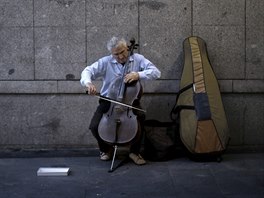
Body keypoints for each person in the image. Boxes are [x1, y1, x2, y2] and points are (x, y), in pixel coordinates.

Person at [80, 36, 161, 165]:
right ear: (111, 53)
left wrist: (138, 74)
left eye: (122, 52)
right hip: (109, 101)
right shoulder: (106, 62)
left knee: (140, 119)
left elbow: (156, 72)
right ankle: (106, 149)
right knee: (94, 126)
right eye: (116, 54)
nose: (121, 57)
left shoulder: (138, 59)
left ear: (127, 48)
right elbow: (88, 70)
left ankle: (134, 152)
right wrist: (88, 83)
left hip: (130, 101)